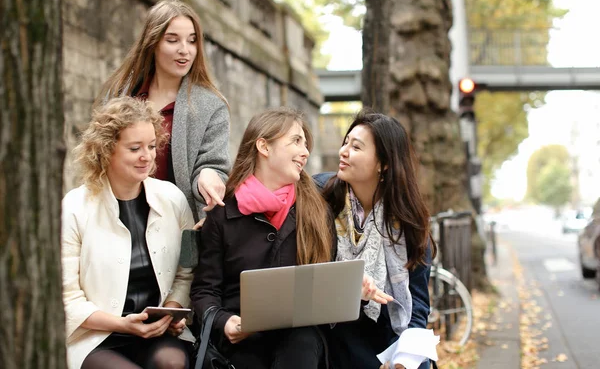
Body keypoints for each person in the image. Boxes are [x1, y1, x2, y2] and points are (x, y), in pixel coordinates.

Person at [190, 108, 336, 369]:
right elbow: (204, 291)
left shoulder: (316, 209)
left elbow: (326, 285)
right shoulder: (222, 211)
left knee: (301, 345)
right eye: (296, 141)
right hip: (239, 340)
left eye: (306, 144)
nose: (305, 152)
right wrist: (225, 322)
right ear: (263, 146)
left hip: (299, 337)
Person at [62, 97, 195, 369]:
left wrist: (172, 307)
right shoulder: (75, 207)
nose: (147, 156)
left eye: (152, 146)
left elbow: (188, 269)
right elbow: (67, 298)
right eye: (135, 148)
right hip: (97, 334)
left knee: (172, 363)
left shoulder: (174, 199)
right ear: (106, 149)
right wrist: (122, 324)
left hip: (159, 332)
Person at [314, 109, 437, 369]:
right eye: (345, 142)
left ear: (384, 163)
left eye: (356, 147)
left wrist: (404, 359)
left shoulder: (409, 224)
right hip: (336, 330)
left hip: (388, 333)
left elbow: (417, 303)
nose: (343, 152)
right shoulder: (320, 196)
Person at [96, 0, 230, 223]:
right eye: (172, 40)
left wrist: (208, 176)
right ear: (153, 43)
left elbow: (214, 165)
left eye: (192, 41)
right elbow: (98, 155)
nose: (184, 50)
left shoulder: (211, 106)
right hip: (118, 219)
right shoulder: (120, 94)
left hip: (176, 225)